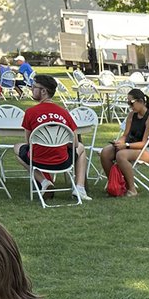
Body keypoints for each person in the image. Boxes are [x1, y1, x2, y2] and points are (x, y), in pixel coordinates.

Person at [15, 73, 91, 202]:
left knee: (17, 148)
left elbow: (28, 142)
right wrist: (58, 143)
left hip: (37, 160)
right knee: (82, 148)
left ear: (43, 91)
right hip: (63, 161)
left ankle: (44, 181)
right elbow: (75, 144)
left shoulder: (30, 112)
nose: (31, 89)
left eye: (34, 87)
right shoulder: (64, 113)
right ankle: (79, 187)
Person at [99, 88, 149, 198]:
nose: (129, 106)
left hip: (147, 151)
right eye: (127, 103)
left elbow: (144, 143)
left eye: (131, 103)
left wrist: (126, 145)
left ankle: (132, 189)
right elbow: (125, 135)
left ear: (141, 102)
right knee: (105, 152)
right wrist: (119, 142)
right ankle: (115, 184)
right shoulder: (132, 115)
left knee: (121, 155)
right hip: (130, 147)